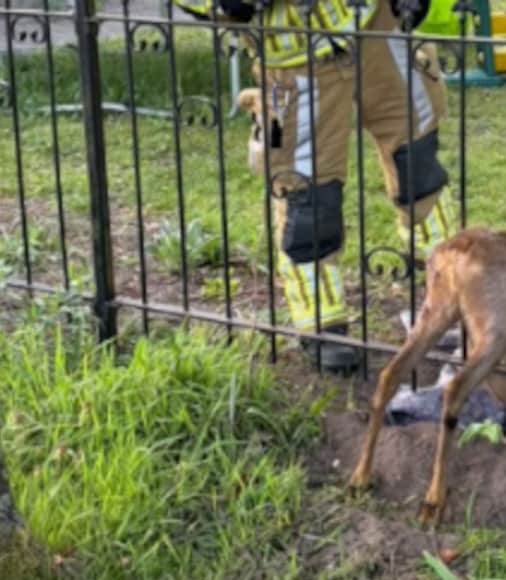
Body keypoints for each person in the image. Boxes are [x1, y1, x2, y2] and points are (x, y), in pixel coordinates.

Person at [176, 0, 461, 374]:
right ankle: (321, 320)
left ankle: (453, 287)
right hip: (292, 54)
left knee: (418, 160)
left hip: (374, 23)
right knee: (307, 195)